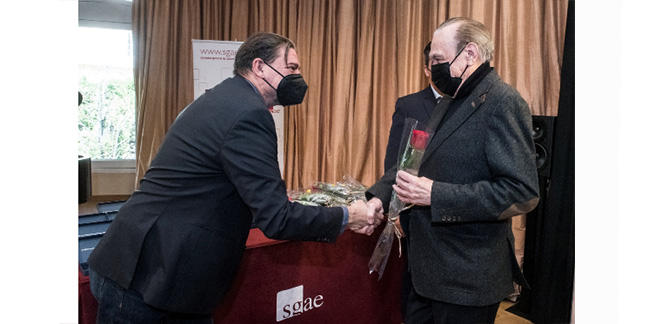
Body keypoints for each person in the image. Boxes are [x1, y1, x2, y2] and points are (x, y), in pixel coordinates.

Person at [87, 32, 383, 323]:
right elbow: (277, 219)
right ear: (259, 67)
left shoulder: (225, 98)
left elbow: (232, 193)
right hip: (147, 278)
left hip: (153, 270)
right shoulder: (248, 114)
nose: (298, 77)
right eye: (291, 68)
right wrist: (348, 215)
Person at [367, 17, 540, 324]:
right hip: (427, 274)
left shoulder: (503, 102)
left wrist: (436, 194)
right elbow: (411, 162)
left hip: (466, 280)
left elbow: (521, 192)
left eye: (438, 59)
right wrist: (377, 198)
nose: (432, 68)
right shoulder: (450, 101)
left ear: (470, 54)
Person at [382, 41, 444, 317]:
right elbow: (394, 162)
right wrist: (394, 212)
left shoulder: (466, 104)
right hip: (414, 213)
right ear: (426, 70)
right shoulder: (409, 105)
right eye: (436, 63)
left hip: (450, 210)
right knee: (415, 287)